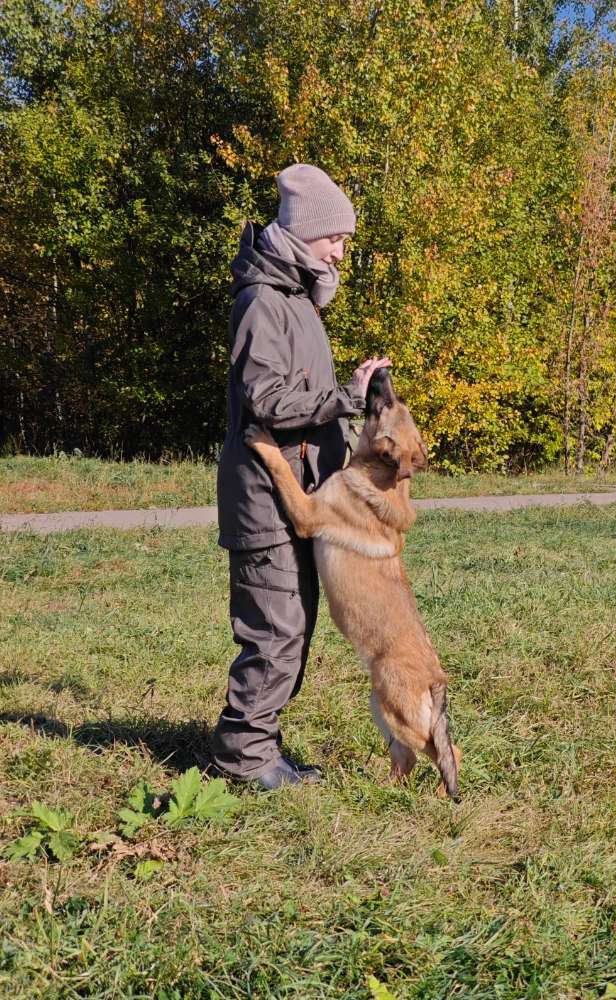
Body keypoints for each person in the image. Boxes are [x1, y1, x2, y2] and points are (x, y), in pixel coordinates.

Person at [211, 163, 389, 789]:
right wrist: (343, 397)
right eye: (334, 237)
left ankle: (259, 744)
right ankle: (245, 760)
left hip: (295, 499)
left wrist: (356, 393)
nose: (341, 249)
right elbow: (266, 401)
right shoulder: (263, 302)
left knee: (291, 626)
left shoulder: (295, 299)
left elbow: (300, 394)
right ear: (306, 230)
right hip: (265, 501)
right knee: (276, 630)